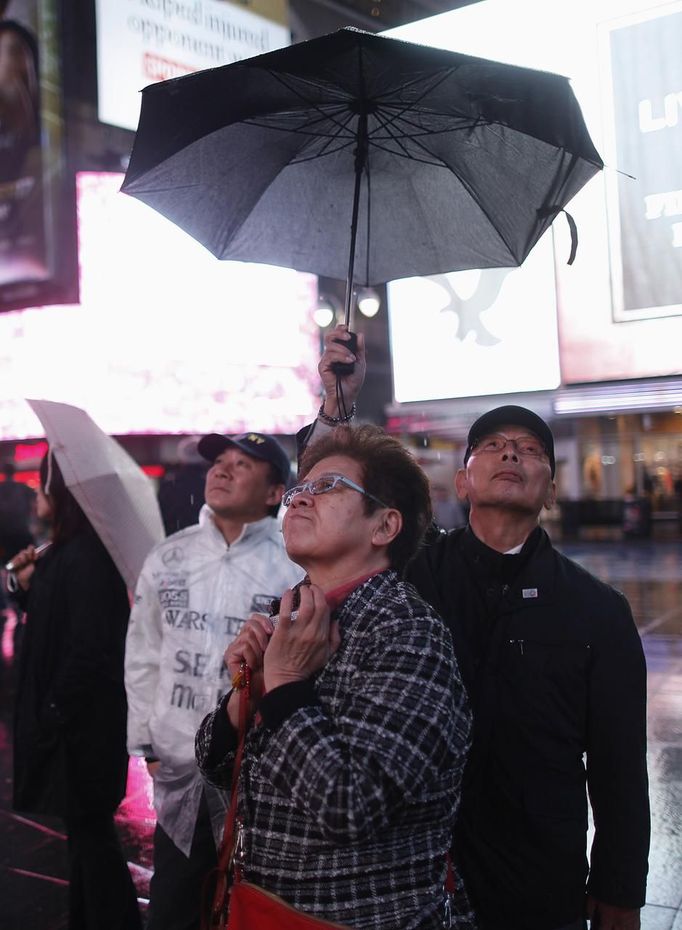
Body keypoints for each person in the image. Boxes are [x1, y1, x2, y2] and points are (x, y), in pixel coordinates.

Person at [300, 325, 650, 930]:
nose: (511, 452)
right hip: (412, 873)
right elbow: (335, 518)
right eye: (491, 445)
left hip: (539, 881)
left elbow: (620, 764)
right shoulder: (407, 574)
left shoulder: (599, 610)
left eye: (531, 448)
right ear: (461, 483)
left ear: (550, 487)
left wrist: (620, 885)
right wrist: (337, 407)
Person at [196, 424, 472, 929]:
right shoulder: (292, 611)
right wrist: (245, 700)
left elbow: (350, 807)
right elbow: (224, 771)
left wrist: (284, 687)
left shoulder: (408, 634)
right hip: (262, 906)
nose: (300, 499)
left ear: (384, 527)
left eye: (328, 488)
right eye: (301, 489)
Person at [125, 430, 303, 930]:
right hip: (180, 765)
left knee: (253, 908)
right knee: (175, 905)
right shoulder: (169, 557)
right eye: (218, 461)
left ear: (273, 493)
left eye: (241, 465)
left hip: (260, 775)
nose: (221, 470)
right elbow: (143, 654)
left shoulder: (292, 563)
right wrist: (148, 748)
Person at [9, 451, 141, 930]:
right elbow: (54, 623)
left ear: (63, 495)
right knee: (85, 839)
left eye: (45, 485)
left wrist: (52, 708)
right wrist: (22, 584)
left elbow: (90, 647)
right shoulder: (64, 552)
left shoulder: (86, 556)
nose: (37, 495)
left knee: (93, 840)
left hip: (83, 731)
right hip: (74, 726)